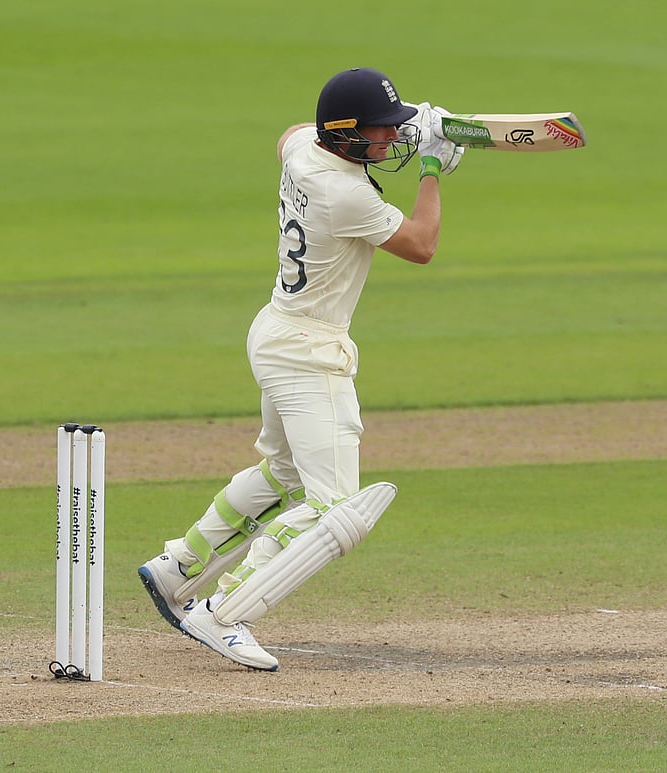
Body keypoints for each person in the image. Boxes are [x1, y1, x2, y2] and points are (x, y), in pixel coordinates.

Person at [137, 67, 464, 671]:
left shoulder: (303, 150)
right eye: (381, 131)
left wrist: (404, 121)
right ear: (345, 134)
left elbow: (290, 130)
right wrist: (431, 166)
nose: (391, 139)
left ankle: (179, 566)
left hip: (277, 331)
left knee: (285, 471)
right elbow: (422, 245)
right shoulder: (347, 195)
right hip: (310, 351)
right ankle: (224, 611)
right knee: (336, 509)